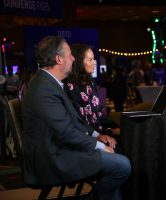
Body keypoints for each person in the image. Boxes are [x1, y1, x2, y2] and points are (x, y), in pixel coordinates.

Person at [22, 36, 131, 200]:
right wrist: (98, 146)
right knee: (122, 165)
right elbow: (66, 133)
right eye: (69, 54)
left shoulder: (50, 83)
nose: (73, 58)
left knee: (117, 160)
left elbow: (73, 121)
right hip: (53, 159)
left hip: (59, 149)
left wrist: (96, 136)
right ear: (59, 59)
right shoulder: (43, 88)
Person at [64, 43, 118, 149]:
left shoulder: (91, 82)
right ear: (78, 62)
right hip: (85, 139)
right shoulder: (69, 86)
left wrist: (113, 128)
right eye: (90, 60)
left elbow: (97, 114)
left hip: (99, 132)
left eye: (94, 59)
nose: (94, 63)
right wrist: (100, 135)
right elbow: (77, 122)